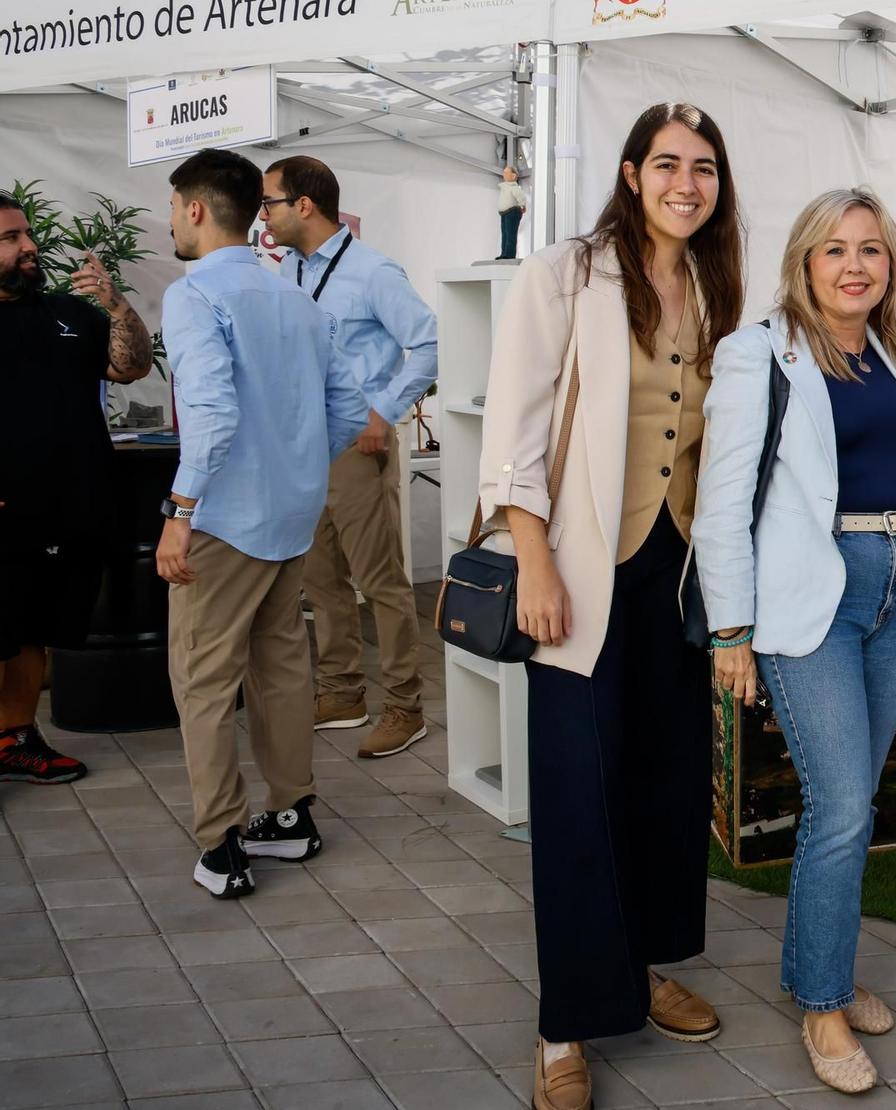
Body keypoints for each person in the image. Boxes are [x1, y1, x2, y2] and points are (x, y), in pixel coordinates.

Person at [479, 103, 744, 1110]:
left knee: (664, 780)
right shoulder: (561, 273)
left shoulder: (716, 282)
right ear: (631, 174)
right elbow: (516, 426)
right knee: (579, 793)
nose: (687, 183)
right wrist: (535, 561)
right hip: (582, 570)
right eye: (668, 164)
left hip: (675, 571)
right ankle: (562, 1021)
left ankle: (637, 966)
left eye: (705, 168)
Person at [694, 187, 896, 1093]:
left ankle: (823, 970)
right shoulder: (757, 352)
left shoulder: (894, 355)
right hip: (810, 601)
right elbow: (722, 501)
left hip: (891, 585)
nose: (854, 266)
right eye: (835, 250)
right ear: (804, 262)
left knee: (860, 801)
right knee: (840, 804)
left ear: (890, 266)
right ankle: (822, 1005)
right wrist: (731, 630)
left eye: (871, 250)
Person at [155, 149, 369, 899]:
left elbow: (209, 411)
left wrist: (180, 513)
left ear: (193, 208)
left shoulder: (193, 296)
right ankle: (290, 817)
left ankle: (220, 845)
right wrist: (301, 465)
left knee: (204, 680)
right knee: (281, 667)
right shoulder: (295, 298)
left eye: (173, 206)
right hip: (289, 515)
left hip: (224, 520)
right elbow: (346, 407)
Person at [263, 156, 440, 760]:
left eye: (271, 203)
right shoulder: (285, 269)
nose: (264, 214)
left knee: (381, 582)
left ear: (304, 205)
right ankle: (341, 693)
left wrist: (383, 410)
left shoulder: (372, 272)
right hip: (301, 446)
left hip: (356, 444)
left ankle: (405, 706)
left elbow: (429, 342)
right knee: (320, 580)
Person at [0, 194, 152, 783]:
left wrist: (115, 304)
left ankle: (16, 739)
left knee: (34, 627)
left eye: (26, 234)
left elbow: (131, 366)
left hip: (66, 508)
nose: (29, 245)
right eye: (11, 237)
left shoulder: (69, 313)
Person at [496, 164, 529, 260]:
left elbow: (521, 197)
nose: (504, 174)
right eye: (504, 172)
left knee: (510, 234)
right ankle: (504, 253)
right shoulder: (505, 187)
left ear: (513, 176)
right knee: (505, 234)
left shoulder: (514, 187)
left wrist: (522, 205)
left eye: (506, 172)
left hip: (512, 212)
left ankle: (509, 254)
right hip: (504, 213)